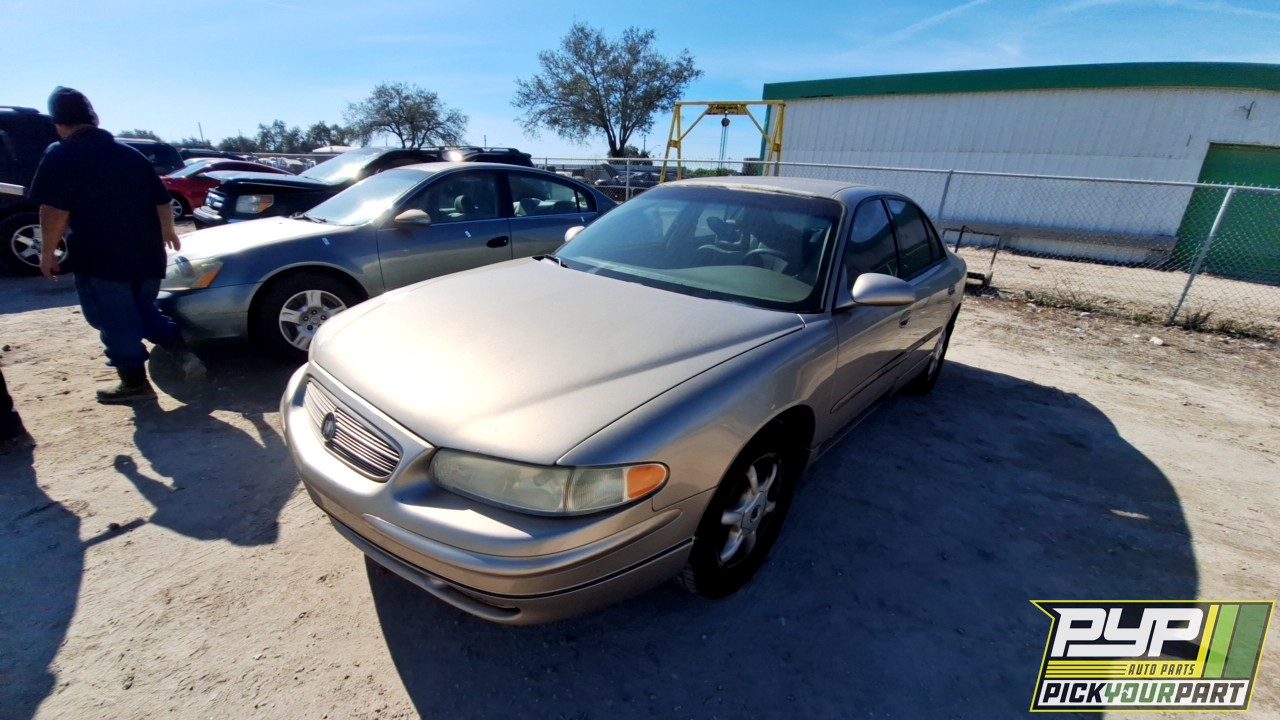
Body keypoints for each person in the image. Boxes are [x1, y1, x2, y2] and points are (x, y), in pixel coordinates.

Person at [29, 87, 203, 404]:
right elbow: (162, 200)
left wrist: (47, 252)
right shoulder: (130, 154)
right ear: (95, 118)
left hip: (101, 257)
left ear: (59, 124)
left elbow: (54, 210)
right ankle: (180, 350)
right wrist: (167, 231)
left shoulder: (61, 154)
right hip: (147, 254)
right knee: (141, 307)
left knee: (113, 318)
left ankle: (134, 384)